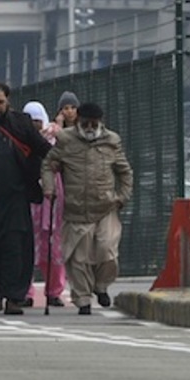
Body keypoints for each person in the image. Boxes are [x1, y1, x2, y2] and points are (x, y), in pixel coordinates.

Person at [42, 102, 132, 316]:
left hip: (105, 207)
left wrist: (122, 197)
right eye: (86, 123)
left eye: (94, 123)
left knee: (107, 251)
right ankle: (83, 299)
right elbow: (48, 164)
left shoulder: (112, 141)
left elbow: (125, 172)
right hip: (76, 210)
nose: (90, 127)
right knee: (79, 259)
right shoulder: (65, 140)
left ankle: (101, 286)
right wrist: (49, 188)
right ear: (78, 121)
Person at [0, 83, 52, 315]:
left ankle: (14, 298)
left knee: (16, 248)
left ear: (7, 101)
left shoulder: (21, 123)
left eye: (0, 102)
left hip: (17, 197)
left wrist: (49, 178)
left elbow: (44, 150)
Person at [23, 100, 66, 308]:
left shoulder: (56, 137)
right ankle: (24, 291)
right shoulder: (18, 139)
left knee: (53, 246)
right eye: (30, 121)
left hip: (52, 198)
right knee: (26, 245)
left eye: (38, 121)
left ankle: (54, 291)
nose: (35, 125)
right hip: (28, 196)